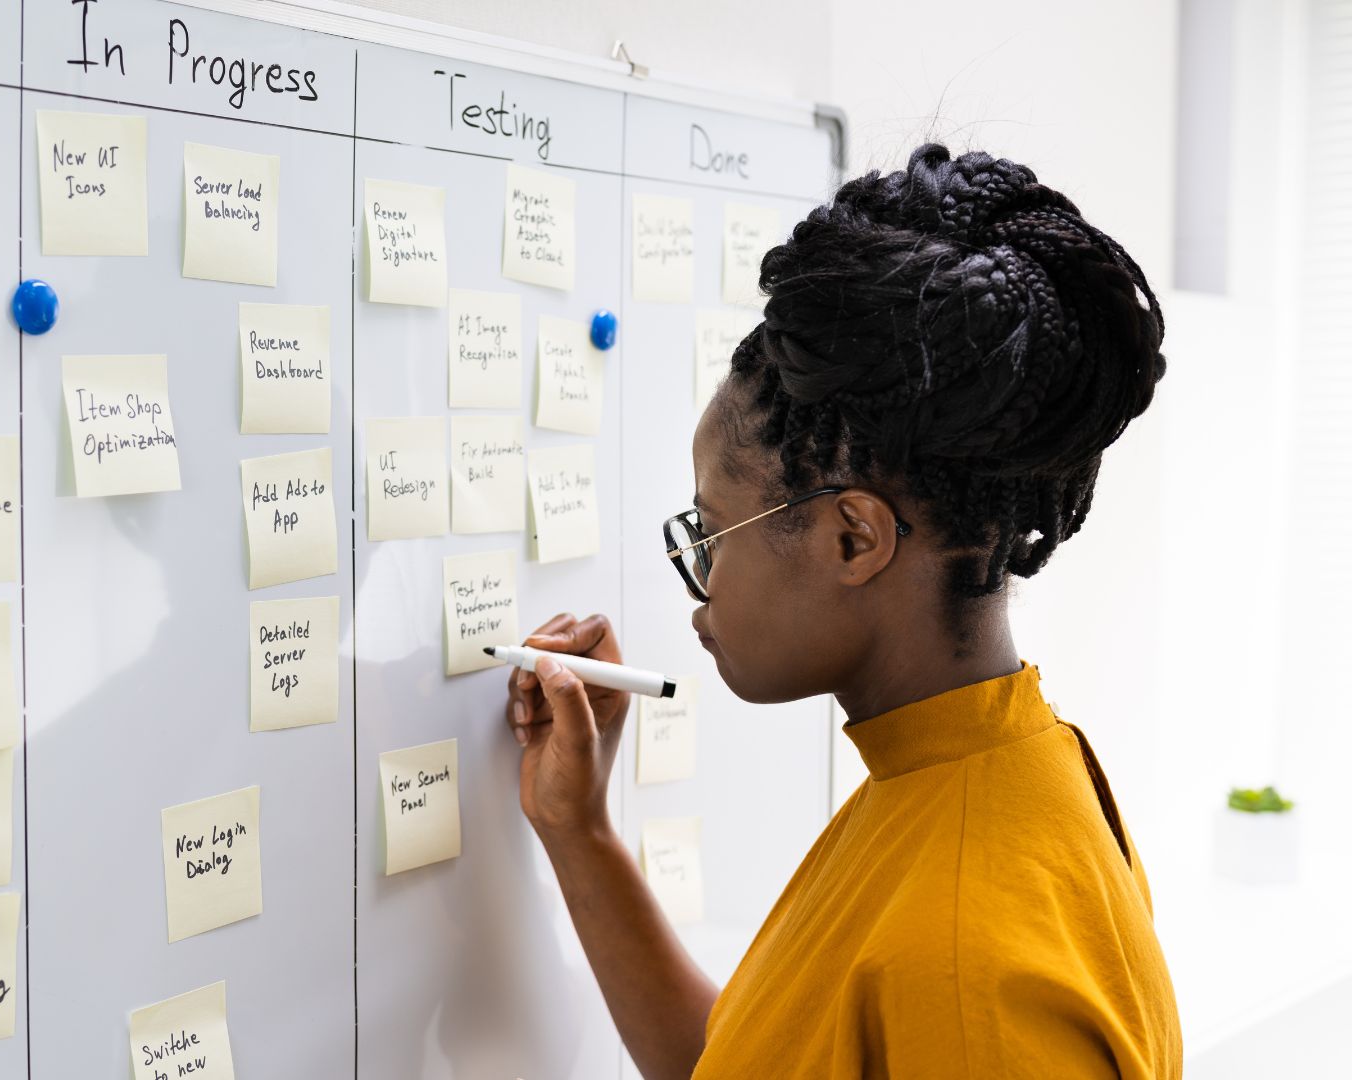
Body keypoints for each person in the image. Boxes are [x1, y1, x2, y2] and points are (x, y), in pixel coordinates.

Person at [504, 145, 1182, 1078]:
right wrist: (577, 829)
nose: (699, 579)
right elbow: (742, 1061)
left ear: (853, 540)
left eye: (714, 534)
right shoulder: (985, 770)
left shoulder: (969, 959)